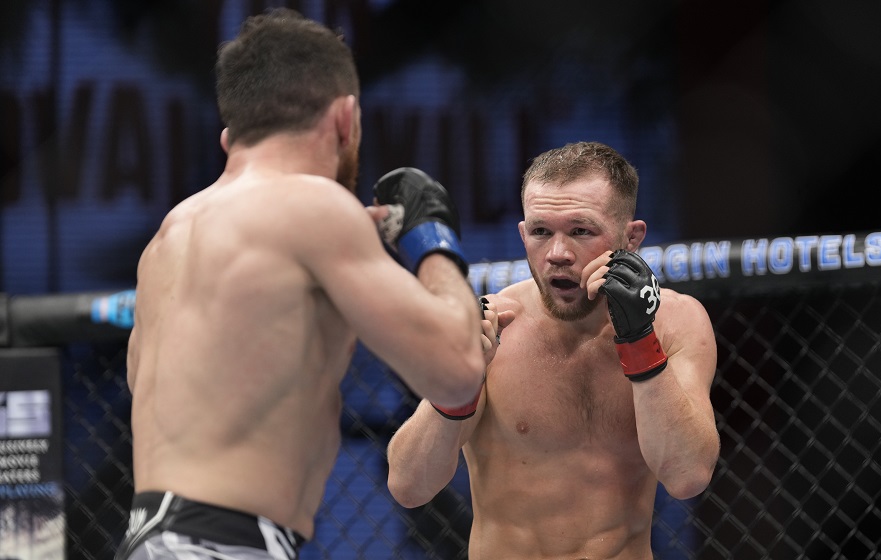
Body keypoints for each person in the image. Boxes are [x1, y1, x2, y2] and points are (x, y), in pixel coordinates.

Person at [115, 8, 486, 560]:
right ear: (344, 117)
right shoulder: (313, 206)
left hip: (156, 537)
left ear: (232, 135)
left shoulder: (168, 239)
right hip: (222, 543)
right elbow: (458, 371)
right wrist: (432, 239)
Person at [386, 141, 720, 559]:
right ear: (523, 235)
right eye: (541, 232)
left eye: (581, 231)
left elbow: (688, 476)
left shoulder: (675, 322)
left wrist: (639, 340)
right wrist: (456, 383)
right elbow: (409, 487)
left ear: (631, 238)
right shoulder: (490, 326)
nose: (558, 254)